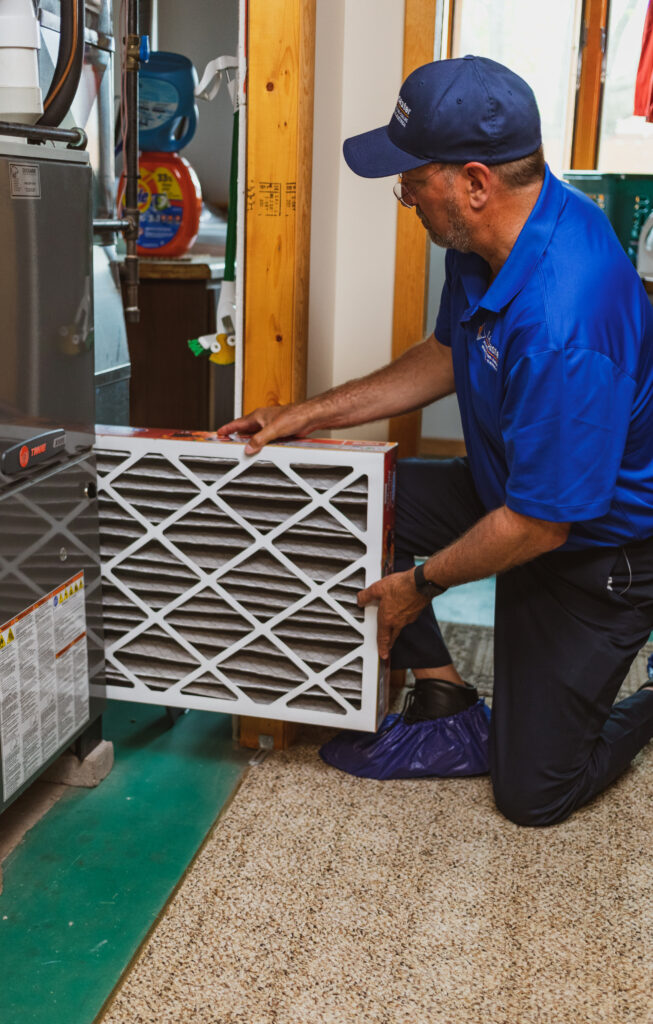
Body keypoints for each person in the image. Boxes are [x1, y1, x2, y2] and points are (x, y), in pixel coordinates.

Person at [219, 56, 653, 827]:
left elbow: (540, 524)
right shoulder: (482, 244)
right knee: (343, 504)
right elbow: (448, 354)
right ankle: (446, 694)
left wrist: (418, 584)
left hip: (595, 551)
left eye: (411, 181)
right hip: (511, 491)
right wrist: (308, 415)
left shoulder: (567, 318)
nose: (404, 198)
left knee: (533, 794)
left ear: (474, 181)